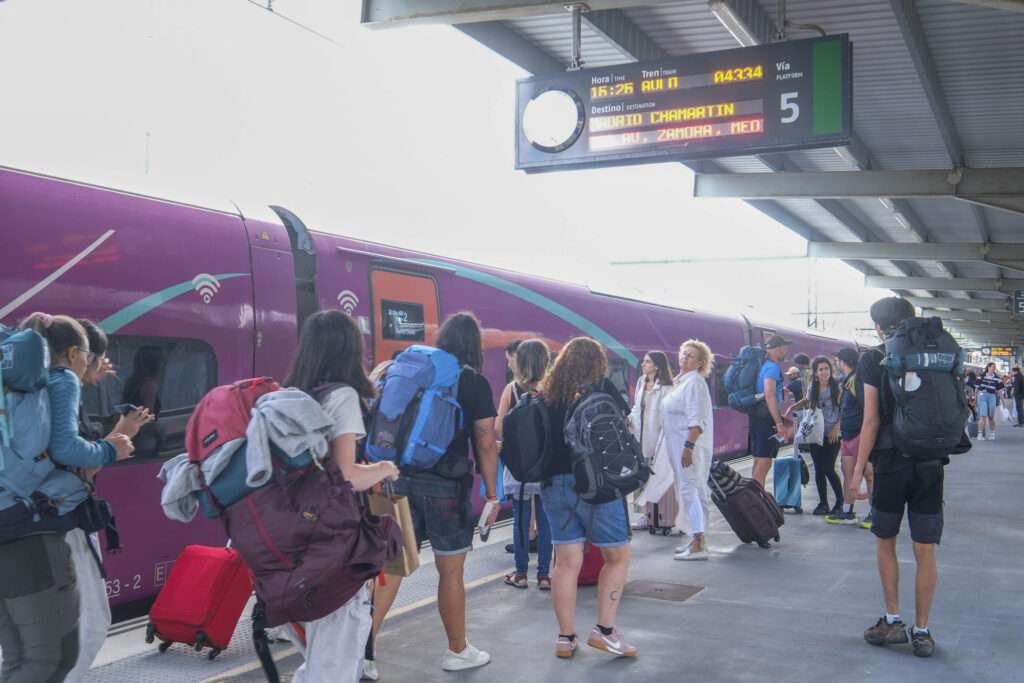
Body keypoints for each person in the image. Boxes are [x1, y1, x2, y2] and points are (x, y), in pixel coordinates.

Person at [0, 314, 133, 682]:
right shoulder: (61, 379)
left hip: (9, 520)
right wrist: (112, 449)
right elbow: (65, 447)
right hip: (32, 531)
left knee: (20, 656)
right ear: (74, 353)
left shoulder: (23, 384)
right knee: (52, 658)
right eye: (87, 357)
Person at [369, 312, 500, 675]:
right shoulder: (473, 381)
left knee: (391, 568)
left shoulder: (410, 367)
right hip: (446, 486)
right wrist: (492, 493)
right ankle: (457, 650)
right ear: (474, 345)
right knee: (450, 571)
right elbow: (486, 442)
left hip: (396, 478)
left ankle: (363, 653)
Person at [281, 310, 400, 683]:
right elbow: (346, 475)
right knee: (335, 659)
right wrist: (385, 469)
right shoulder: (342, 396)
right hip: (331, 545)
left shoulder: (291, 395)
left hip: (292, 540)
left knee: (317, 657)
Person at [848, 297, 945, 658]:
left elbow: (871, 419)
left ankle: (892, 621)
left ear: (878, 327)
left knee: (885, 541)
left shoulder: (873, 357)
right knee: (925, 548)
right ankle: (922, 632)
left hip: (890, 462)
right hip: (930, 462)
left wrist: (857, 471)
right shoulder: (936, 354)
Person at [536, 337, 635, 660]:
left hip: (554, 485)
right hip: (596, 484)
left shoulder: (547, 394)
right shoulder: (602, 389)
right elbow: (622, 429)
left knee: (565, 563)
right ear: (598, 363)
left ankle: (565, 638)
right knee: (617, 557)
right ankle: (604, 631)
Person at [66, 320, 153, 683]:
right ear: (77, 355)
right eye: (95, 357)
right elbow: (78, 471)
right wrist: (120, 437)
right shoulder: (62, 400)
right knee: (90, 625)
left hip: (51, 526)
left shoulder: (39, 394)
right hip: (68, 526)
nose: (102, 365)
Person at [497, 339, 553, 591]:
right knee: (545, 521)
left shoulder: (511, 389)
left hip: (518, 467)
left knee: (521, 520)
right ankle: (544, 575)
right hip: (545, 467)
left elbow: (499, 428)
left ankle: (520, 574)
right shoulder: (552, 390)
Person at [662, 340, 715, 561]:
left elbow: (696, 422)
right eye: (683, 353)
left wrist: (688, 448)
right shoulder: (682, 382)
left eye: (690, 355)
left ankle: (698, 545)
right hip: (679, 447)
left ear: (701, 362)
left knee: (690, 491)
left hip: (688, 449)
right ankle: (696, 539)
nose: (684, 357)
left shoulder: (694, 383)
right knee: (692, 491)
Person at [786, 356, 843, 516]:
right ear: (816, 373)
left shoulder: (837, 387)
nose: (824, 372)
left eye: (826, 369)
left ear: (830, 370)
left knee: (828, 468)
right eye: (820, 369)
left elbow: (844, 409)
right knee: (818, 468)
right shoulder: (813, 386)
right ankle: (823, 503)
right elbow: (807, 400)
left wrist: (836, 428)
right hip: (816, 433)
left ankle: (840, 502)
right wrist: (792, 407)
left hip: (832, 434)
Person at [825, 348, 874, 528]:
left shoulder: (856, 380)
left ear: (842, 361)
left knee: (869, 474)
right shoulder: (848, 380)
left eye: (837, 361)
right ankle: (847, 511)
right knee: (847, 473)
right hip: (848, 435)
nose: (836, 364)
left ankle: (875, 513)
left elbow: (867, 407)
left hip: (859, 434)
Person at [627, 351, 673, 529]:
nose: (643, 364)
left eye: (647, 362)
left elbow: (667, 414)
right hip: (640, 436)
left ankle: (657, 514)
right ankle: (644, 516)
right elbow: (637, 407)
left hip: (657, 438)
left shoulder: (667, 386)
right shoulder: (641, 382)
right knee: (640, 476)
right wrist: (630, 419)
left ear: (657, 365)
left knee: (656, 477)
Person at [750, 335, 793, 489]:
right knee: (764, 461)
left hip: (758, 416)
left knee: (759, 459)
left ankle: (755, 494)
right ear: (777, 349)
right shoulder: (772, 368)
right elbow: (770, 395)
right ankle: (756, 498)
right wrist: (779, 423)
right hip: (765, 418)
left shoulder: (765, 366)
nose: (786, 350)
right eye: (784, 347)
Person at [976, 362, 1002, 440]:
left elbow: (1000, 390)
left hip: (992, 396)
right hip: (982, 396)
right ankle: (980, 434)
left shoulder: (997, 378)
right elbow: (976, 388)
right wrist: (974, 399)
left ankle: (992, 434)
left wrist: (1003, 402)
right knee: (983, 416)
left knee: (991, 417)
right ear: (988, 367)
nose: (994, 368)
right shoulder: (981, 376)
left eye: (995, 367)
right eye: (993, 367)